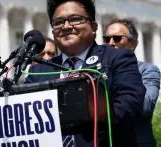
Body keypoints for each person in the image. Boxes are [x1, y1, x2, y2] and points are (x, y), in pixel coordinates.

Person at [25, 0, 145, 146]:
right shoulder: (37, 72)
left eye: (75, 19)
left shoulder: (117, 58)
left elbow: (130, 105)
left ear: (93, 27)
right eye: (58, 22)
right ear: (52, 31)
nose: (66, 26)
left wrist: (82, 115)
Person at [103, 18, 160, 147]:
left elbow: (145, 107)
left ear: (133, 44)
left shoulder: (147, 70)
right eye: (106, 39)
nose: (111, 43)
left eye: (117, 38)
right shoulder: (97, 71)